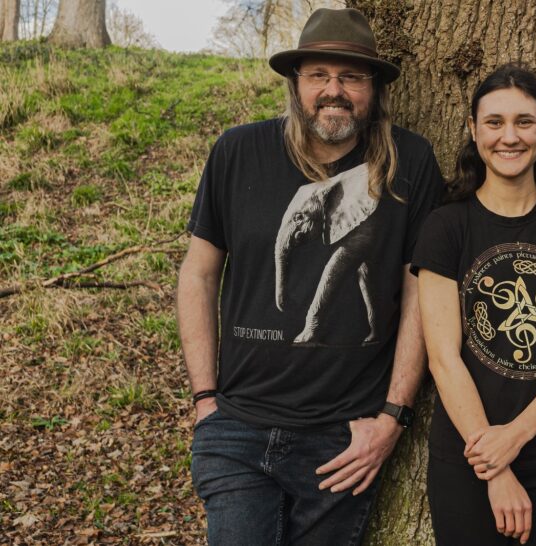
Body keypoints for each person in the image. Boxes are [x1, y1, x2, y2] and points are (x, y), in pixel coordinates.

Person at [176, 8, 444, 544]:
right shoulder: (237, 151)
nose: (334, 90)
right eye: (319, 75)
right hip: (238, 427)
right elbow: (199, 275)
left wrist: (393, 415)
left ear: (374, 87)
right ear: (296, 83)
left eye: (351, 76)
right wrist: (206, 401)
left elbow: (423, 290)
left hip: (342, 439)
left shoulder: (409, 162)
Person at [412, 64, 536, 546]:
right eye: (495, 122)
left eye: (524, 121)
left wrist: (516, 437)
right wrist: (494, 464)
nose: (510, 136)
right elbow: (443, 357)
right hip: (467, 453)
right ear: (473, 130)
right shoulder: (445, 228)